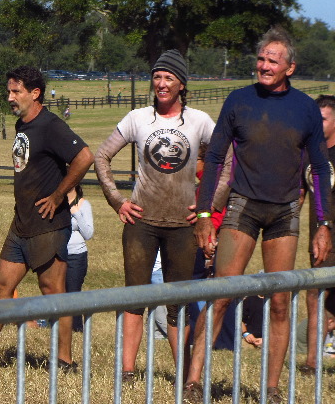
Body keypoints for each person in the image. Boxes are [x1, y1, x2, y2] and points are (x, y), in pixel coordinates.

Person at [187, 27, 334, 404]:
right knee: (221, 293)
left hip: (285, 213)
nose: (265, 65)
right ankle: (193, 382)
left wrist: (323, 224)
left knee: (280, 302)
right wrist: (204, 213)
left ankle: (271, 390)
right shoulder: (238, 100)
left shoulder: (305, 108)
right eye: (261, 58)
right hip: (243, 207)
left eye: (273, 60)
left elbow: (320, 168)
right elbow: (214, 158)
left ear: (290, 67)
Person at [94, 50, 218, 383]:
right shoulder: (137, 118)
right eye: (157, 77)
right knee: (135, 298)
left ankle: (185, 376)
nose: (161, 84)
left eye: (169, 78)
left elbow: (226, 161)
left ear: (181, 85)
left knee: (178, 303)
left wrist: (207, 206)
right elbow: (101, 156)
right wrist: (117, 201)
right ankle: (127, 372)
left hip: (183, 226)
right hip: (141, 224)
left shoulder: (200, 121)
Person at [0, 66, 93, 372]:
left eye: (16, 91)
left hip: (48, 224)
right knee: (1, 286)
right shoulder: (23, 124)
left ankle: (64, 360)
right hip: (21, 224)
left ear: (35, 93)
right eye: (9, 91)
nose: (10, 97)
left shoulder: (51, 125)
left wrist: (58, 196)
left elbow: (84, 157)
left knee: (53, 291)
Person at [299, 94, 335, 374]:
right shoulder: (310, 153)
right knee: (316, 293)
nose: (315, 123)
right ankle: (312, 362)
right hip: (320, 238)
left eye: (322, 119)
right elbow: (299, 192)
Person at [65, 185, 94, 332]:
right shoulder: (58, 204)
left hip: (76, 256)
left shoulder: (84, 205)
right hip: (58, 254)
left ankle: (76, 328)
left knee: (73, 291)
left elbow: (88, 233)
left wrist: (76, 213)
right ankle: (57, 325)